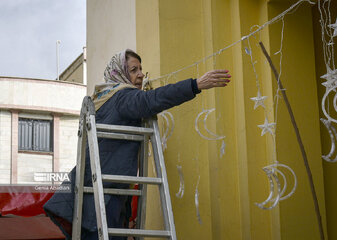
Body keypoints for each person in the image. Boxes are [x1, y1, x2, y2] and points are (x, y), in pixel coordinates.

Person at [43, 49, 231, 240]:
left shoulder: (101, 99)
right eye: (134, 70)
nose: (141, 74)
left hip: (95, 194)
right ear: (120, 72)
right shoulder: (122, 97)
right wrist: (195, 84)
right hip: (105, 199)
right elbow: (152, 99)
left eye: (141, 69)